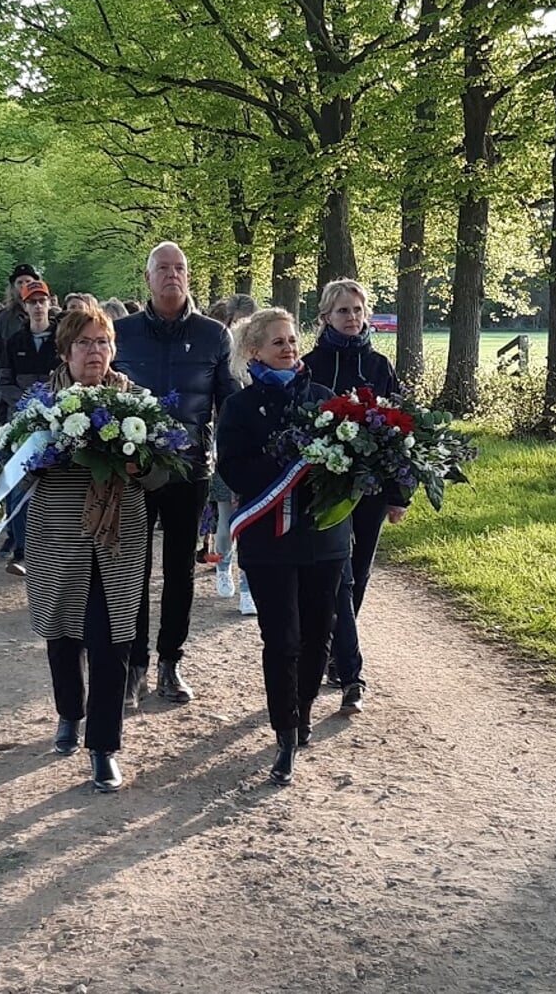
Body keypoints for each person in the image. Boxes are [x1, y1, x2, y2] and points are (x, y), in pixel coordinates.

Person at [26, 302, 171, 792]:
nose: (95, 351)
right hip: (59, 538)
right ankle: (70, 712)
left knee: (112, 642)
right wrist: (37, 461)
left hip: (118, 540)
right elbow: (13, 471)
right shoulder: (40, 405)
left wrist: (137, 467)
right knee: (63, 635)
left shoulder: (138, 403)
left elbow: (162, 473)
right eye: (85, 343)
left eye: (103, 342)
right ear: (65, 350)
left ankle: (104, 747)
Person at [215, 307, 350, 785]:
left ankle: (304, 707)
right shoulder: (238, 408)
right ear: (255, 352)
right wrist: (288, 469)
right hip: (269, 541)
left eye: (292, 340)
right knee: (283, 639)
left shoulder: (324, 398)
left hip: (323, 538)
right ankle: (285, 731)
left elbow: (347, 466)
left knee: (319, 631)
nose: (289, 348)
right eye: (278, 342)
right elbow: (234, 468)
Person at [113, 242, 236, 707]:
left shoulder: (213, 335)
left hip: (189, 468)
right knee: (132, 569)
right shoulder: (121, 332)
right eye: (162, 268)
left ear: (189, 276)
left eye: (179, 268)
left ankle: (170, 662)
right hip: (131, 468)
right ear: (147, 278)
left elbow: (228, 401)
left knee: (180, 570)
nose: (171, 275)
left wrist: (236, 456)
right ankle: (134, 665)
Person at [303, 279, 409, 714]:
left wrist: (399, 493)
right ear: (325, 316)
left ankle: (334, 648)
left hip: (371, 487)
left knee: (359, 572)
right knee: (339, 573)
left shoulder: (380, 364)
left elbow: (404, 430)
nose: (351, 317)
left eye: (357, 310)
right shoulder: (309, 366)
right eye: (342, 311)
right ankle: (349, 665)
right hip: (325, 488)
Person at [0, 280, 60, 574]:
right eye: (31, 302)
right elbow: (3, 382)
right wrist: (25, 401)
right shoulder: (14, 343)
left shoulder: (62, 340)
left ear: (49, 303)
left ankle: (55, 548)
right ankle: (22, 549)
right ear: (24, 306)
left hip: (59, 420)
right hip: (21, 422)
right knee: (18, 485)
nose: (37, 306)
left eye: (41, 301)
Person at [210, 294, 260, 617]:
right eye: (239, 322)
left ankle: (247, 588)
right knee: (227, 521)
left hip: (259, 450)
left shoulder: (265, 356)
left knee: (254, 520)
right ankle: (222, 564)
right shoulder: (223, 359)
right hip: (228, 448)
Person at [0, 263, 43, 350]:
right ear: (13, 287)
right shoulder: (3, 317)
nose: (24, 285)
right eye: (20, 282)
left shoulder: (49, 315)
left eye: (28, 281)